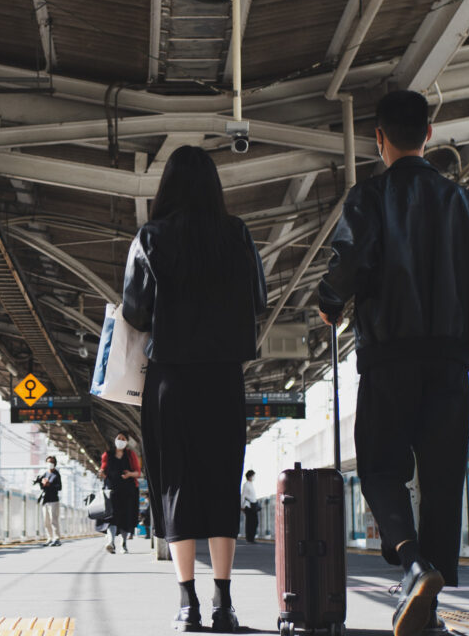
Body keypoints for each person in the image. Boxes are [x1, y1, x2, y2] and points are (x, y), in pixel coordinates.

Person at [317, 90, 469, 636]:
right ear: (430, 134)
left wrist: (328, 301)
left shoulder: (368, 196)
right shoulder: (465, 205)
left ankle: (413, 566)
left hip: (389, 357)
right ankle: (431, 610)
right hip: (449, 363)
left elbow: (350, 257)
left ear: (378, 138)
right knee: (442, 481)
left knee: (379, 469)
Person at [123, 145, 267, 633]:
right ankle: (224, 604)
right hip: (224, 377)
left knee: (178, 483)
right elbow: (260, 299)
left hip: (172, 380)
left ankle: (187, 606)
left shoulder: (151, 237)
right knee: (222, 481)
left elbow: (135, 311)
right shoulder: (238, 234)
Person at [98, 431, 142, 554]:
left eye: (123, 439)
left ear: (127, 442)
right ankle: (111, 542)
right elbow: (103, 470)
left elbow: (138, 473)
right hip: (111, 490)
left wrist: (129, 474)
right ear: (115, 439)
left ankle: (123, 544)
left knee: (125, 517)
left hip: (128, 490)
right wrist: (101, 473)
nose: (120, 440)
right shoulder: (107, 454)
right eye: (119, 438)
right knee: (111, 516)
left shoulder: (130, 455)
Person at [39, 455, 62, 547]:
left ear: (55, 464)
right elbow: (42, 487)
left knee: (54, 520)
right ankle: (49, 538)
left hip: (53, 500)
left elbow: (59, 487)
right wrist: (42, 483)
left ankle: (56, 538)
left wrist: (50, 485)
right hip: (45, 500)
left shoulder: (56, 474)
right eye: (48, 462)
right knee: (46, 520)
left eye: (52, 462)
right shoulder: (44, 474)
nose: (50, 464)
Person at [241, 470, 258, 544]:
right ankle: (249, 538)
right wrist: (241, 506)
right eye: (253, 476)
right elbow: (243, 495)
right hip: (248, 506)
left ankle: (252, 537)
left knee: (255, 521)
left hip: (253, 505)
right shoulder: (246, 484)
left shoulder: (251, 484)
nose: (254, 477)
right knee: (250, 522)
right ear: (250, 476)